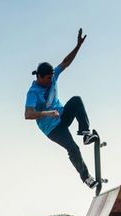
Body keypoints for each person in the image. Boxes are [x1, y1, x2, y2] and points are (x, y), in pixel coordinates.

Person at [25, 28, 100, 189]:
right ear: (38, 77)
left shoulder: (52, 77)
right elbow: (28, 114)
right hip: (52, 128)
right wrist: (47, 113)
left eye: (52, 78)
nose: (49, 82)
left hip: (62, 115)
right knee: (73, 148)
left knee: (76, 100)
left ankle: (85, 133)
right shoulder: (32, 93)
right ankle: (86, 177)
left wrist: (78, 45)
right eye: (46, 79)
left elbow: (65, 62)